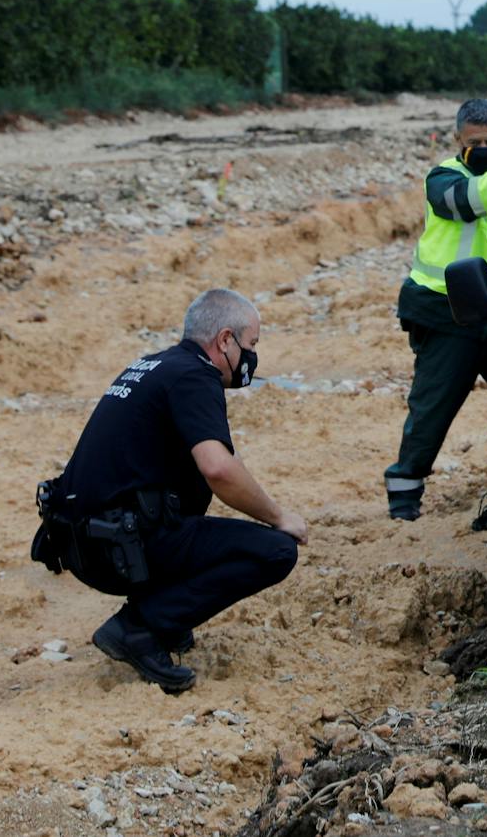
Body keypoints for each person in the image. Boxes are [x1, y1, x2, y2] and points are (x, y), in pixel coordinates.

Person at [31, 288, 308, 693]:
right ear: (225, 340)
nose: (252, 356)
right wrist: (280, 517)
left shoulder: (154, 364)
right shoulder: (196, 376)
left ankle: (165, 620)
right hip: (115, 550)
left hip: (82, 540)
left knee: (192, 512)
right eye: (251, 344)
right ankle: (139, 628)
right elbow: (219, 469)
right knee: (275, 551)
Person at [383, 98, 487, 521]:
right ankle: (404, 499)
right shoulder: (443, 177)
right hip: (445, 315)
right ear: (457, 139)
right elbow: (466, 201)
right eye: (474, 141)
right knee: (432, 409)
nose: (483, 147)